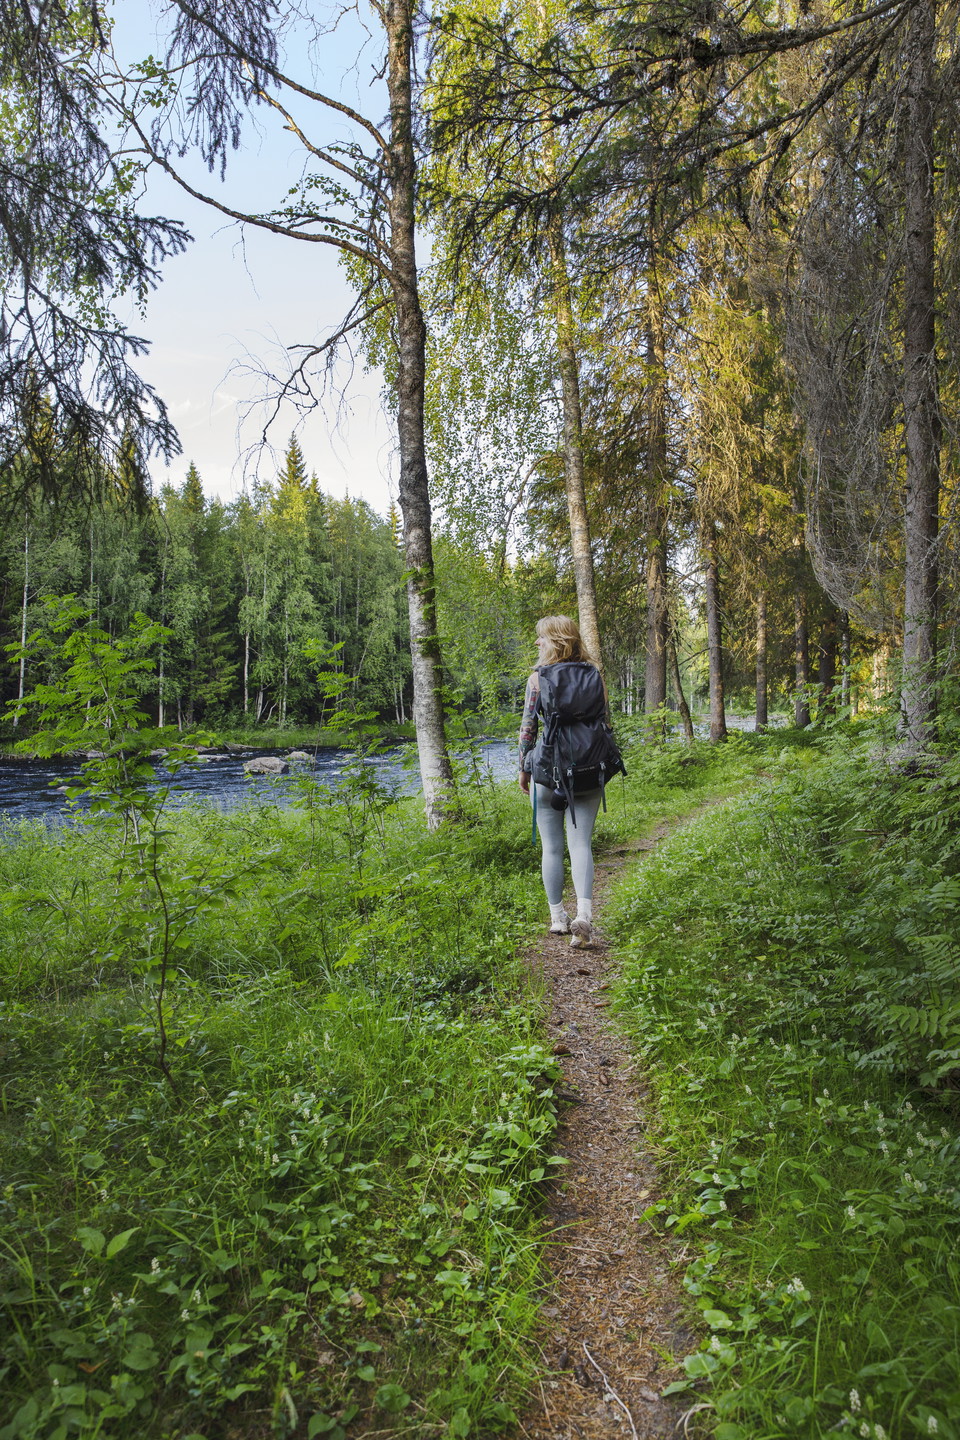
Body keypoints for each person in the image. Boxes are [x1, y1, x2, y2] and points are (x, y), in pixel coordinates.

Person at [518, 615, 605, 949]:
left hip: (548, 769)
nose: (537, 642)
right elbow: (602, 721)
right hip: (588, 766)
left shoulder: (537, 679)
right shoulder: (594, 675)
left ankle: (557, 917)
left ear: (554, 640)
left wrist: (524, 768)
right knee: (581, 844)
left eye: (541, 637)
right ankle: (584, 915)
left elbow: (528, 729)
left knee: (551, 847)